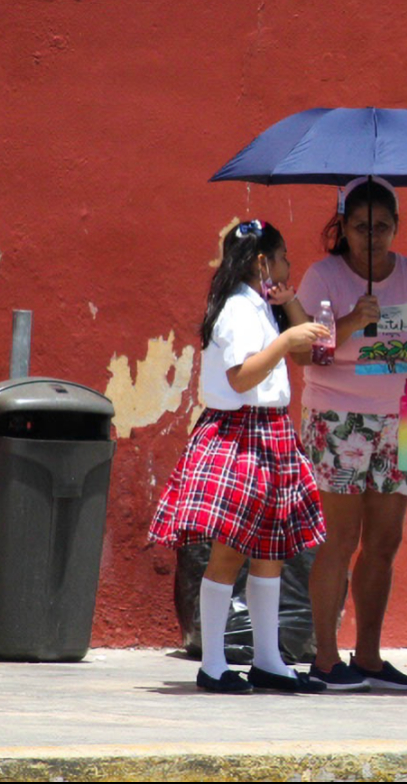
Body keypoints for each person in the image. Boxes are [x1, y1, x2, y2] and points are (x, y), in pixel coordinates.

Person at [148, 219, 332, 694]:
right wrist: (286, 342)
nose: (290, 265)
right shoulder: (234, 309)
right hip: (240, 434)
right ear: (261, 262)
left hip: (271, 432)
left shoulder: (261, 307)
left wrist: (287, 315)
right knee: (229, 552)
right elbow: (240, 378)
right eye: (284, 257)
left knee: (271, 551)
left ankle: (269, 660)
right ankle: (213, 663)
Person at [292, 176, 407, 692]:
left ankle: (368, 656)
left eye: (383, 227)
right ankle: (325, 658)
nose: (373, 237)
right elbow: (300, 351)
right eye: (362, 227)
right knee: (341, 539)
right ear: (343, 227)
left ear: (396, 227)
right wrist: (347, 322)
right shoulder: (322, 277)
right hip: (338, 416)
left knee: (386, 540)